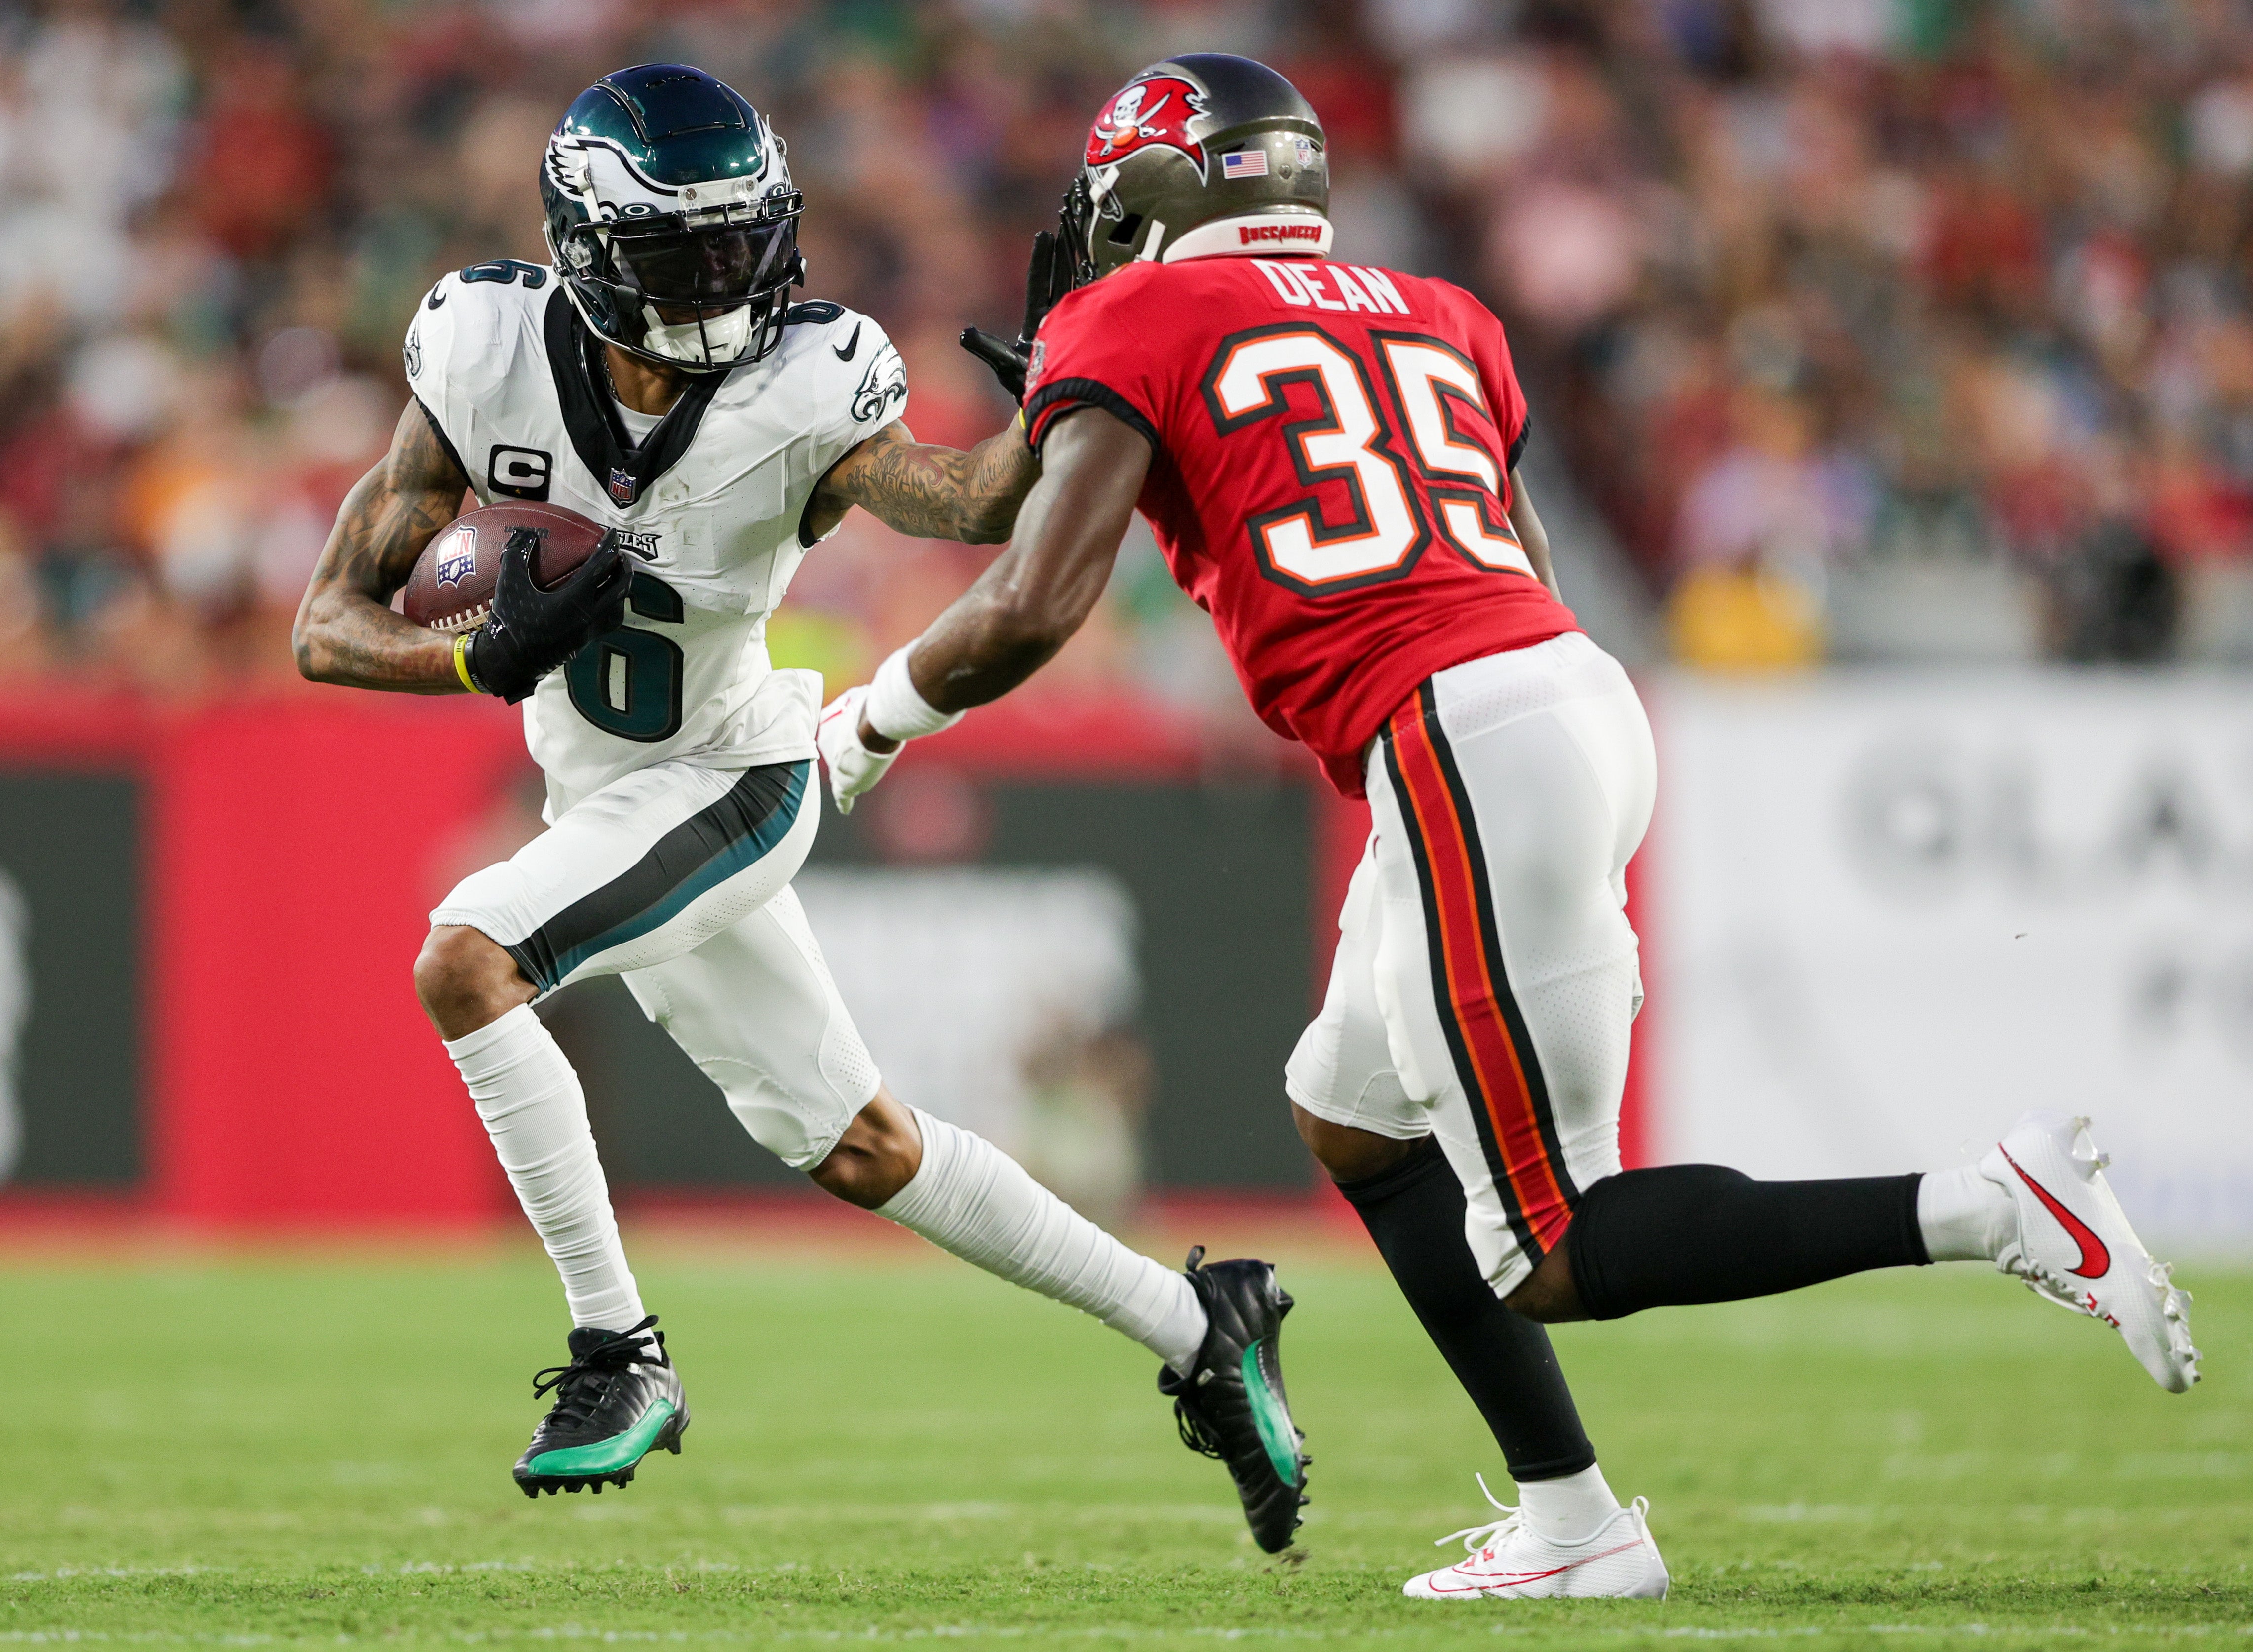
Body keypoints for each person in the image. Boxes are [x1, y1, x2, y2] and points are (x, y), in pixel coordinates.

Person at [818, 52, 2201, 1602]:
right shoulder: (1439, 308)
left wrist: (862, 728)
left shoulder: (1126, 315)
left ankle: (1993, 1205)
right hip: (1553, 700)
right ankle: (1573, 1521)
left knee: (1555, 1245)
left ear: (1144, 193)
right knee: (1351, 1115)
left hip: (1461, 737)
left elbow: (1031, 602)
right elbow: (1514, 556)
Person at [289, 62, 1308, 1552]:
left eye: (747, 239)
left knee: (468, 956)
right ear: (587, 253)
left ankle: (614, 1353)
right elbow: (326, 626)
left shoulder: (804, 382)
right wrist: (469, 658)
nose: (730, 279)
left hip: (733, 777)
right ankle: (1200, 1322)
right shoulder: (482, 348)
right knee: (863, 1151)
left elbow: (961, 500)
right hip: (607, 796)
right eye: (686, 253)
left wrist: (1060, 391)